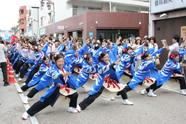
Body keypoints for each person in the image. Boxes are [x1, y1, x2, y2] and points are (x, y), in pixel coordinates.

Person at [22, 53, 79, 120]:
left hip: (64, 88)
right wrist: (62, 75)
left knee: (74, 94)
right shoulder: (53, 68)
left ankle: (71, 107)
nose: (61, 63)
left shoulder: (65, 67)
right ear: (55, 61)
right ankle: (28, 113)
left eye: (62, 61)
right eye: (59, 61)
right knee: (45, 101)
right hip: (56, 88)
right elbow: (55, 75)